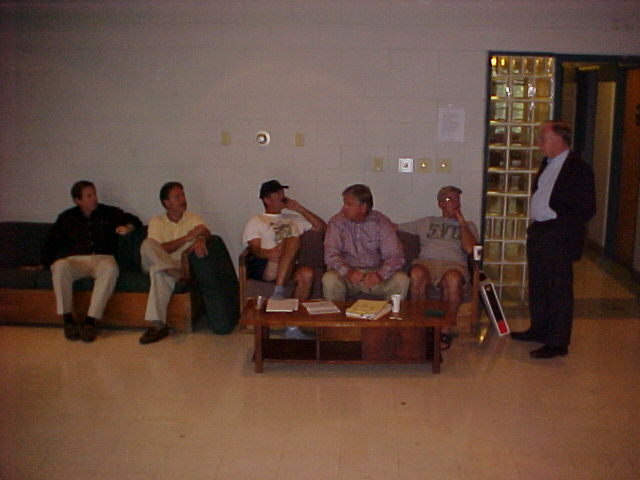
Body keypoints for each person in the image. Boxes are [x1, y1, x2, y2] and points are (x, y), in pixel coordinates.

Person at [510, 121, 595, 359]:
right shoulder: (548, 163)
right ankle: (539, 329)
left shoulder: (578, 169)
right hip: (539, 231)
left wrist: (559, 222)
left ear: (559, 139)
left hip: (558, 234)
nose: (539, 143)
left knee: (558, 288)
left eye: (543, 138)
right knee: (539, 284)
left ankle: (557, 342)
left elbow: (587, 208)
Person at [40, 180, 142, 342]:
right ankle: (68, 320)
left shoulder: (109, 212)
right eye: (89, 196)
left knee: (110, 269)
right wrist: (44, 264)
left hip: (103, 259)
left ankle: (90, 321)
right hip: (76, 260)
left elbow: (135, 221)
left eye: (94, 194)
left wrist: (128, 228)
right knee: (59, 266)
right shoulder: (66, 218)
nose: (94, 198)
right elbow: (51, 243)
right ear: (78, 200)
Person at [242, 179, 326, 339]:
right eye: (277, 193)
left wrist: (299, 209)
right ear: (266, 200)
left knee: (307, 274)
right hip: (269, 265)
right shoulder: (257, 220)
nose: (282, 195)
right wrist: (269, 253)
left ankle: (292, 326)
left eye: (282, 192)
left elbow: (322, 228)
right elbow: (254, 249)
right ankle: (278, 291)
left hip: (288, 266)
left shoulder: (292, 218)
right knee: (293, 239)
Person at [398, 185, 478, 348]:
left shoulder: (468, 225)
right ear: (440, 203)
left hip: (454, 265)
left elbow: (470, 249)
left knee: (453, 279)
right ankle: (420, 327)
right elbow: (395, 227)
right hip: (427, 263)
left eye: (456, 199)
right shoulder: (427, 222)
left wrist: (461, 223)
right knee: (417, 273)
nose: (454, 202)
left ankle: (444, 332)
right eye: (449, 199)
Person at [139, 182, 211, 344]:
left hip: (177, 265)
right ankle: (174, 273)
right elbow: (161, 249)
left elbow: (205, 231)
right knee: (147, 245)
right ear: (167, 203)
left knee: (158, 271)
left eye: (183, 195)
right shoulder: (156, 221)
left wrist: (201, 238)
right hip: (157, 261)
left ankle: (158, 326)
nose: (183, 199)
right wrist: (186, 238)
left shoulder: (192, 218)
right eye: (177, 197)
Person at [322, 184, 409, 301]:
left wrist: (380, 275)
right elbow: (330, 255)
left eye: (349, 205)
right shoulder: (336, 222)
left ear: (363, 207)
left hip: (375, 273)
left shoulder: (381, 222)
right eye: (344, 203)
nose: (343, 208)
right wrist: (348, 272)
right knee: (329, 279)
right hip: (347, 274)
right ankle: (335, 313)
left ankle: (391, 313)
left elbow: (395, 256)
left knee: (401, 280)